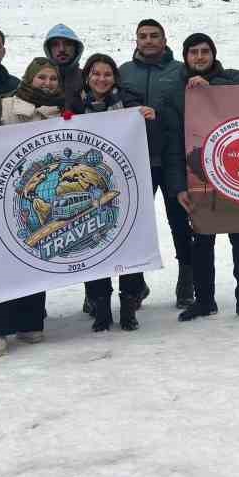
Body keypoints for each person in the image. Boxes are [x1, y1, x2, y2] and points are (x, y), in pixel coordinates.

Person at [0, 58, 68, 355]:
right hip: (4, 193)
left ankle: (30, 322)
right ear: (30, 78)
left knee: (36, 251)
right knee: (2, 258)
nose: (48, 83)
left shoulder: (61, 111)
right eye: (42, 77)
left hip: (42, 194)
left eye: (53, 79)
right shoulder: (3, 105)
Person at [74, 53, 156, 332]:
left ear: (115, 78)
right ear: (87, 76)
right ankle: (100, 306)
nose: (101, 79)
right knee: (93, 241)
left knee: (128, 242)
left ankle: (130, 305)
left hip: (125, 184)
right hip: (88, 188)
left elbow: (146, 133)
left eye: (107, 74)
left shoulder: (130, 101)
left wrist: (147, 116)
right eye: (96, 73)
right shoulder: (74, 103)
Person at [180, 32, 239, 321]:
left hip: (236, 172)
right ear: (186, 56)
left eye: (204, 51)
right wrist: (179, 185)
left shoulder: (232, 76)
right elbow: (171, 137)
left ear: (213, 54)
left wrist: (212, 86)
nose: (199, 57)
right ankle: (204, 299)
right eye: (193, 52)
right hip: (198, 175)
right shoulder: (178, 86)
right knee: (201, 242)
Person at [118, 19, 190, 308]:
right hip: (135, 161)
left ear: (164, 39)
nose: (148, 40)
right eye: (143, 36)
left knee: (180, 223)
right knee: (133, 225)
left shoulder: (180, 71)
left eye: (154, 36)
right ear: (136, 40)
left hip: (174, 159)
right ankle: (134, 284)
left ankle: (188, 278)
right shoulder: (124, 72)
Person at [41, 23, 86, 102]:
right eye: (55, 44)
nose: (62, 49)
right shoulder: (38, 81)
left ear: (76, 48)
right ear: (49, 50)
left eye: (68, 44)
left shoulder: (89, 80)